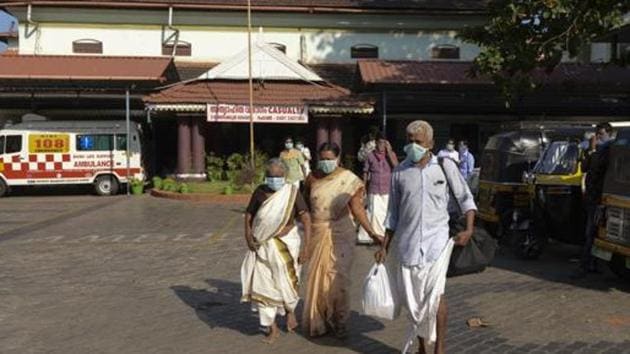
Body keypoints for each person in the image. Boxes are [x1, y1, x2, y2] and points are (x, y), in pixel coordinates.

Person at [375, 120, 476, 354]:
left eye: (418, 142)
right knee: (414, 305)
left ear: (430, 143)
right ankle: (421, 347)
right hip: (408, 247)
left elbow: (465, 198)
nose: (413, 146)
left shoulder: (445, 166)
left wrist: (469, 229)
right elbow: (393, 214)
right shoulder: (399, 172)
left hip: (437, 246)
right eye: (409, 141)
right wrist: (384, 246)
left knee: (435, 297)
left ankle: (439, 348)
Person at [302, 142, 384, 339]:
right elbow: (304, 207)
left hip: (342, 232)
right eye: (323, 158)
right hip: (318, 231)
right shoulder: (312, 178)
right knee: (319, 281)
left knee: (339, 280)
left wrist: (372, 233)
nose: (326, 162)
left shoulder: (348, 180)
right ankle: (320, 321)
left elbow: (357, 210)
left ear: (338, 159)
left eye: (330, 159)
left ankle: (340, 321)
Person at [241, 158, 312, 344]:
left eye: (278, 176)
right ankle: (271, 328)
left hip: (288, 244)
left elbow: (306, 219)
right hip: (263, 245)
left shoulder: (292, 193)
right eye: (271, 176)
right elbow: (249, 215)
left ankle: (290, 311)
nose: (274, 179)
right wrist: (248, 236)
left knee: (287, 282)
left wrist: (307, 246)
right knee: (263, 285)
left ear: (285, 176)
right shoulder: (260, 192)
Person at [572, 122, 614, 279]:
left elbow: (598, 167)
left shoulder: (608, 150)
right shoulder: (595, 151)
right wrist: (590, 151)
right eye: (597, 134)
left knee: (591, 232)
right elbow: (583, 168)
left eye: (601, 134)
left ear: (609, 134)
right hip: (592, 196)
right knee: (590, 231)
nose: (598, 137)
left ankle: (586, 265)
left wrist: (594, 150)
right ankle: (591, 264)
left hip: (600, 197)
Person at [358, 135, 399, 244]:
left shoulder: (390, 155)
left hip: (387, 188)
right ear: (376, 143)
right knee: (374, 211)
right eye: (380, 143)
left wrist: (389, 151)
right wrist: (364, 186)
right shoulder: (370, 156)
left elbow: (396, 166)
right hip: (374, 188)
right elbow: (366, 171)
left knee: (386, 212)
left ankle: (384, 236)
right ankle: (373, 235)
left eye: (384, 143)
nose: (382, 146)